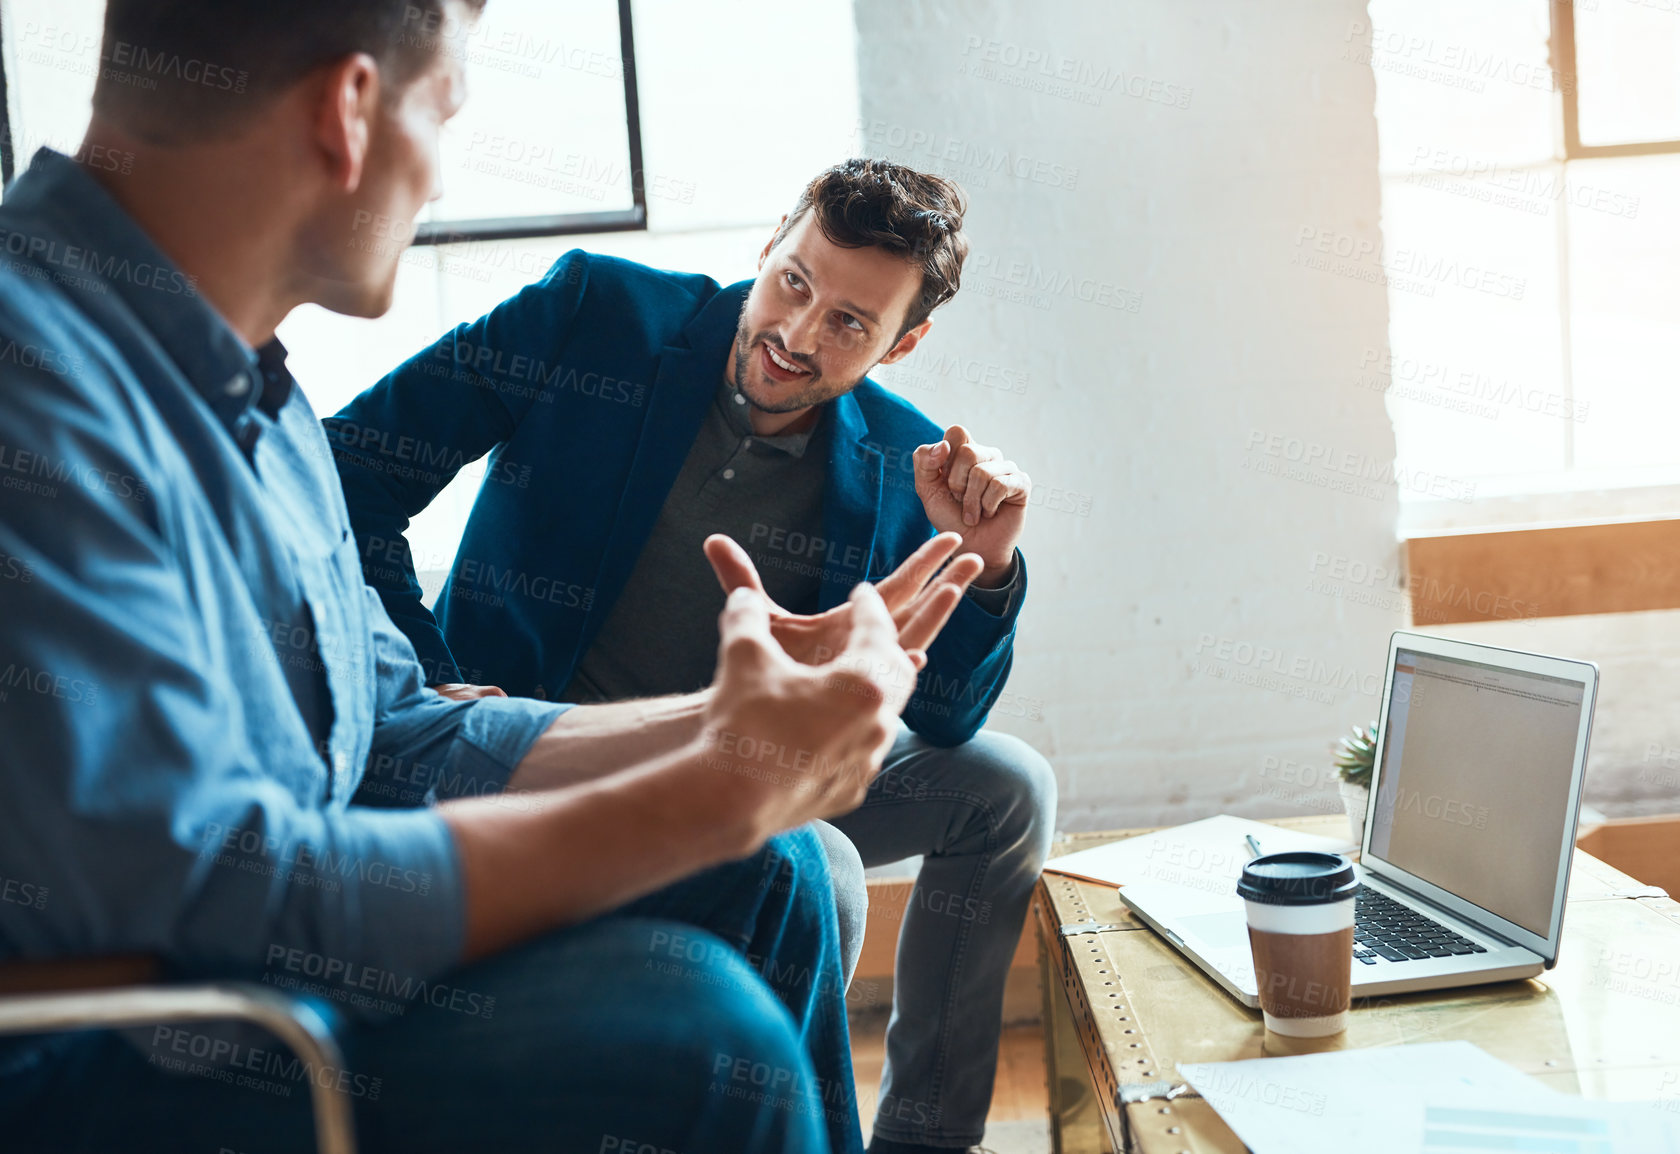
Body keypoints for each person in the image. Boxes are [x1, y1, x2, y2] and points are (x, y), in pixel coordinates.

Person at [0, 3, 976, 1151]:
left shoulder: (253, 392)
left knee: (776, 873)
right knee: (690, 1028)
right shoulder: (39, 393)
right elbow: (210, 899)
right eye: (445, 113)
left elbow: (393, 730)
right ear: (348, 112)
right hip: (124, 1048)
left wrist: (733, 726)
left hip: (260, 951)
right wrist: (702, 796)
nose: (442, 181)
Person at [327, 157, 1058, 1153]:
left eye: (851, 322)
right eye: (795, 282)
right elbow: (350, 471)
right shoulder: (598, 313)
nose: (797, 335)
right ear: (768, 247)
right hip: (557, 742)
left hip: (760, 751)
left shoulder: (908, 460)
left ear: (905, 341)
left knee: (1008, 782)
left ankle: (925, 1139)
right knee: (825, 867)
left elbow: (945, 719)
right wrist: (425, 669)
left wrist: (984, 563)